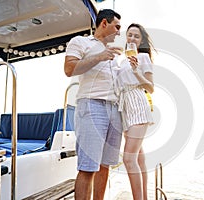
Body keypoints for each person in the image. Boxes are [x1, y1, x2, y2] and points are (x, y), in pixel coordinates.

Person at [64, 9, 123, 200]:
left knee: (105, 166)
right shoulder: (80, 42)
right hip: (91, 107)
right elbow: (69, 69)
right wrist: (99, 56)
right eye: (117, 27)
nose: (119, 32)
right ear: (104, 23)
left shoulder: (115, 55)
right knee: (88, 167)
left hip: (115, 110)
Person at [117, 23, 155, 200]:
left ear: (141, 40)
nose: (132, 38)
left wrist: (136, 71)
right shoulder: (122, 60)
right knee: (139, 159)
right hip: (125, 108)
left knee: (128, 159)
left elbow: (151, 87)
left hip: (138, 104)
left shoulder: (143, 57)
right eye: (130, 35)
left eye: (136, 36)